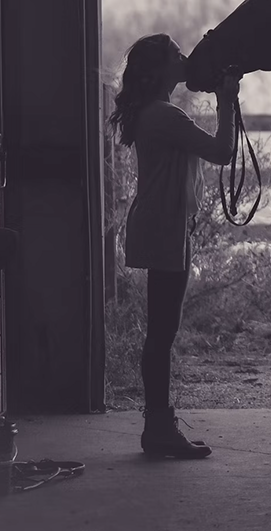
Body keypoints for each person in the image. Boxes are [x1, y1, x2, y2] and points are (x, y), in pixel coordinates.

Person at [106, 33, 239, 459]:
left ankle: (158, 426)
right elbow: (222, 151)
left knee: (161, 332)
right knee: (162, 333)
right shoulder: (165, 115)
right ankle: (159, 428)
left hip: (163, 224)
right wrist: (227, 100)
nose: (185, 59)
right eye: (177, 54)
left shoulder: (155, 112)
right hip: (164, 227)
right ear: (162, 69)